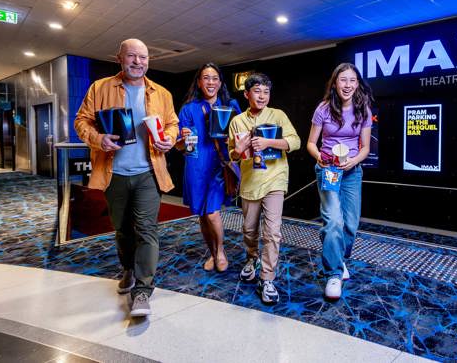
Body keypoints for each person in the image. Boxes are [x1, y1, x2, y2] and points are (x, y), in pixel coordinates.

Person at [74, 38, 179, 317]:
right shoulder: (100, 88)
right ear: (119, 58)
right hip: (114, 173)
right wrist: (98, 138)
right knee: (122, 229)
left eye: (143, 57)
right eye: (131, 56)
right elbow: (81, 121)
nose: (137, 62)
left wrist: (169, 138)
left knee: (147, 229)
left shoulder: (161, 93)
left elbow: (172, 124)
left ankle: (143, 289)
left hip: (149, 172)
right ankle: (129, 269)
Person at [228, 73, 300, 304]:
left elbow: (295, 141)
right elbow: (233, 156)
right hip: (250, 183)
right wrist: (238, 150)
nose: (262, 96)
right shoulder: (237, 121)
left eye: (266, 92)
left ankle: (267, 278)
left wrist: (269, 142)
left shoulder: (278, 115)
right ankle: (252, 259)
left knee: (272, 232)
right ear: (247, 94)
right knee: (249, 230)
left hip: (275, 180)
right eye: (257, 91)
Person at [306, 63, 373, 300]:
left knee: (350, 225)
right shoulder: (323, 109)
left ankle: (339, 258)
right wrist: (320, 159)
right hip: (328, 170)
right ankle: (333, 274)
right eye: (343, 80)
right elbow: (311, 143)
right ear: (335, 83)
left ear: (357, 84)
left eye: (352, 80)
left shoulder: (363, 109)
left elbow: (365, 148)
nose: (347, 85)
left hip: (352, 171)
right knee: (333, 220)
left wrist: (353, 160)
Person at [177, 63, 241, 272]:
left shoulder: (230, 105)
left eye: (214, 78)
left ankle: (220, 251)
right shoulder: (189, 109)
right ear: (199, 82)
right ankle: (212, 253)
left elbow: (241, 134)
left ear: (220, 82)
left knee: (212, 212)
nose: (210, 82)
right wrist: (183, 139)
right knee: (202, 215)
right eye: (206, 78)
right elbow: (180, 145)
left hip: (219, 165)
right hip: (195, 166)